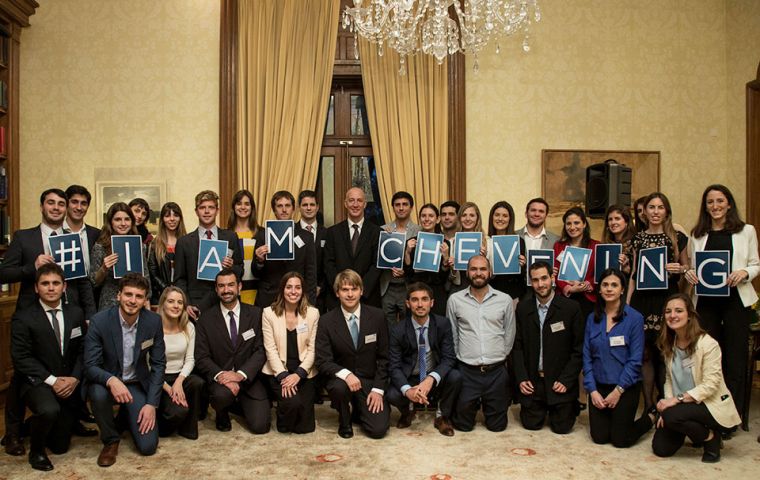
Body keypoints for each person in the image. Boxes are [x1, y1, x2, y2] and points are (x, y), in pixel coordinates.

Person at [0, 189, 96, 456]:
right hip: (31, 312)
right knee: (23, 374)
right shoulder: (24, 237)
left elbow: (82, 281)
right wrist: (32, 266)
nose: (56, 208)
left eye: (60, 204)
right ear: (42, 206)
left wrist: (88, 312)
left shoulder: (72, 239)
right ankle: (13, 433)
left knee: (66, 361)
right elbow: (3, 272)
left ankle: (65, 419)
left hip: (66, 312)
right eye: (51, 203)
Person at [684, 184, 759, 421]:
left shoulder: (746, 231)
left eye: (719, 201)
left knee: (735, 356)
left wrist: (745, 273)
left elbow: (756, 263)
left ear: (728, 204)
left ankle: (731, 415)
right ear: (705, 207)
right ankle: (710, 411)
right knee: (707, 357)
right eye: (710, 202)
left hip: (736, 301)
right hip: (706, 303)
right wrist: (690, 273)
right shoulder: (696, 234)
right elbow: (693, 268)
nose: (715, 206)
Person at [10, 264, 89, 471]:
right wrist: (53, 381)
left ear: (64, 287)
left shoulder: (76, 313)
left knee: (61, 446)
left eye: (56, 283)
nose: (51, 288)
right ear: (36, 288)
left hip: (69, 383)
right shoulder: (24, 317)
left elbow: (83, 350)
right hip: (38, 382)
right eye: (45, 284)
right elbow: (21, 358)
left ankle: (31, 427)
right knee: (48, 410)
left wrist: (74, 378)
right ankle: (36, 451)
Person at [84, 274, 166, 467]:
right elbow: (90, 366)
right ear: (118, 295)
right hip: (107, 382)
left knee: (148, 447)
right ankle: (111, 440)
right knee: (97, 393)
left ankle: (124, 417)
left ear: (145, 300)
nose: (132, 300)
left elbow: (158, 365)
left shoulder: (153, 321)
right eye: (128, 294)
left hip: (136, 383)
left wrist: (151, 404)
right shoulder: (100, 321)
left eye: (139, 296)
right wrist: (112, 380)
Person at [652, 294, 741, 463]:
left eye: (679, 311)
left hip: (708, 404)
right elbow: (669, 380)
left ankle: (710, 437)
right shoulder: (669, 343)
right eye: (668, 311)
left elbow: (710, 385)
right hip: (681, 406)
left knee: (671, 416)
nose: (673, 315)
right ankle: (692, 428)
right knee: (661, 449)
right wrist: (667, 406)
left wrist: (674, 403)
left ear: (690, 315)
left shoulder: (708, 344)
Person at [629, 192, 688, 411]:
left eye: (660, 207)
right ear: (645, 212)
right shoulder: (638, 238)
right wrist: (627, 306)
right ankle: (649, 405)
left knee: (665, 352)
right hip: (642, 301)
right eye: (651, 207)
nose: (655, 212)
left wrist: (680, 269)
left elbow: (688, 269)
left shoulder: (677, 237)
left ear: (666, 211)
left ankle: (666, 402)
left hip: (666, 300)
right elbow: (634, 273)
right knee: (644, 353)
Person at [315, 269, 390, 439]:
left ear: (361, 291)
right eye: (344, 289)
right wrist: (347, 374)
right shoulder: (326, 321)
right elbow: (322, 360)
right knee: (339, 388)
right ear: (337, 293)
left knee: (378, 430)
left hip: (369, 380)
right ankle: (345, 420)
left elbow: (385, 357)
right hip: (341, 381)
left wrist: (378, 389)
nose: (350, 294)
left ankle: (359, 408)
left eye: (354, 289)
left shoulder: (378, 316)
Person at [583, 268, 653, 448]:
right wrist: (592, 391)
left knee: (620, 440)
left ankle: (650, 419)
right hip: (599, 387)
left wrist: (618, 391)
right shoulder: (592, 318)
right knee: (599, 437)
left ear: (622, 289)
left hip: (625, 387)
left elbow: (635, 360)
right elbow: (587, 357)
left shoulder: (635, 319)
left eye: (614, 285)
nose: (609, 289)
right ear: (599, 289)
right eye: (605, 285)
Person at [194, 269, 269, 434]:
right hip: (222, 381)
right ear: (216, 289)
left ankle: (237, 404)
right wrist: (222, 376)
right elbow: (201, 357)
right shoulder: (205, 319)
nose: (226, 290)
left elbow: (261, 350)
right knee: (221, 397)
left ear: (239, 287)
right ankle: (222, 410)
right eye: (221, 286)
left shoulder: (256, 314)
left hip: (249, 379)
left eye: (230, 285)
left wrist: (240, 374)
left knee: (260, 427)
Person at [513, 261, 584, 434]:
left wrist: (566, 380)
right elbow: (517, 347)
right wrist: (522, 378)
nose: (540, 284)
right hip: (534, 381)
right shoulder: (523, 308)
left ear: (552, 278)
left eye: (544, 278)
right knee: (531, 424)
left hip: (559, 382)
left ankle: (568, 405)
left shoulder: (571, 308)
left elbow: (579, 349)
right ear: (531, 282)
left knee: (562, 428)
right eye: (535, 280)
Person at [446, 255, 515, 432]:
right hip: (467, 371)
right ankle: (471, 404)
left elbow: (509, 333)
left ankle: (488, 403)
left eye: (483, 269)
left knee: (497, 427)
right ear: (467, 272)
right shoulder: (455, 300)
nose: (478, 273)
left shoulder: (504, 299)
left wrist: (499, 356)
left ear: (490, 272)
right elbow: (452, 334)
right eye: (474, 269)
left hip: (496, 372)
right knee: (463, 426)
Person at [387, 282, 461, 436]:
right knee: (392, 393)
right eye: (414, 300)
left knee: (455, 376)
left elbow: (449, 358)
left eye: (424, 299)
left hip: (434, 377)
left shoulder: (442, 324)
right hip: (411, 377)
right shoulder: (398, 330)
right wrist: (408, 391)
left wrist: (430, 379)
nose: (420, 304)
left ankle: (442, 417)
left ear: (432, 303)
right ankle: (408, 411)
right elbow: (394, 366)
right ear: (407, 304)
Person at [261, 272, 319, 433]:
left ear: (303, 291)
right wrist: (283, 376)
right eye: (289, 287)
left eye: (298, 288)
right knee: (292, 405)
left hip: (304, 371)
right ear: (282, 290)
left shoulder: (313, 314)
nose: (293, 292)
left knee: (305, 427)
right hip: (279, 370)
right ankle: (283, 414)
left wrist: (299, 373)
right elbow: (270, 348)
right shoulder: (268, 313)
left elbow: (313, 349)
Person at [175, 190, 243, 319]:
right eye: (202, 208)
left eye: (211, 207)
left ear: (217, 211)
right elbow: (180, 279)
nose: (207, 212)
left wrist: (231, 267)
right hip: (196, 305)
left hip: (226, 300)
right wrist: (187, 303)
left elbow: (240, 270)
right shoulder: (184, 242)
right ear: (196, 211)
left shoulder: (230, 237)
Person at [253, 190, 317, 308]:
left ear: (293, 209)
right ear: (274, 210)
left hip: (296, 298)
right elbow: (255, 272)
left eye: (287, 206)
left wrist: (310, 304)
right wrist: (259, 261)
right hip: (269, 298)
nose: (284, 210)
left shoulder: (306, 237)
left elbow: (311, 274)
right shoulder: (262, 235)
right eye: (279, 206)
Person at [323, 187, 382, 309]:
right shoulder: (332, 232)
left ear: (365, 204)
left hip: (368, 298)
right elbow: (328, 263)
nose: (355, 204)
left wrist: (360, 290)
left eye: (359, 201)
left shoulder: (377, 232)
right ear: (345, 203)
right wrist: (342, 289)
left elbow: (377, 265)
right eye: (351, 200)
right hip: (338, 299)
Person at [157, 286, 203, 439]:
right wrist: (169, 389)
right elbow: (148, 365)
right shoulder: (152, 326)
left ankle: (188, 429)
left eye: (180, 302)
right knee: (178, 412)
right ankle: (162, 428)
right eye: (171, 301)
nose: (176, 306)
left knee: (197, 382)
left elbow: (190, 359)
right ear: (163, 303)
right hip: (158, 378)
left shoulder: (188, 326)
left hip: (180, 376)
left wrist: (179, 381)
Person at [89, 202, 151, 310]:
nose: (123, 223)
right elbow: (93, 282)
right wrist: (104, 268)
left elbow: (145, 276)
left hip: (134, 303)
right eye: (117, 219)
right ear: (110, 222)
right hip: (109, 304)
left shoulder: (139, 245)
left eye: (127, 219)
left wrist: (147, 300)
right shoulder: (100, 246)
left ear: (132, 222)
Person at [380, 191, 420, 326]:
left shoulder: (419, 231)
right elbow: (377, 259)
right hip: (387, 286)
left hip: (408, 286)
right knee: (386, 326)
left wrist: (407, 270)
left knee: (409, 325)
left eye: (405, 204)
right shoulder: (384, 230)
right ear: (393, 207)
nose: (401, 208)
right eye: (397, 205)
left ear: (411, 207)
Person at [403, 203, 450, 316]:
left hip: (437, 292)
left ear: (437, 219)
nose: (427, 219)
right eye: (423, 216)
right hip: (415, 293)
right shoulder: (411, 242)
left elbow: (443, 277)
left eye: (431, 216)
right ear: (419, 219)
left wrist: (446, 258)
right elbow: (408, 275)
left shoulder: (445, 243)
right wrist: (407, 253)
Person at [553, 207, 600, 318]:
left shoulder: (596, 245)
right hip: (565, 297)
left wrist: (588, 283)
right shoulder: (558, 246)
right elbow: (555, 272)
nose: (572, 227)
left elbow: (600, 272)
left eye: (576, 223)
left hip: (588, 297)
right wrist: (568, 288)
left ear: (584, 224)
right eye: (568, 223)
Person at [486, 200, 527, 301]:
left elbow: (521, 276)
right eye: (497, 215)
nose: (500, 219)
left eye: (505, 216)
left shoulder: (518, 241)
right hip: (489, 294)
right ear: (492, 217)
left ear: (510, 219)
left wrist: (523, 265)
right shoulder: (485, 241)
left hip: (512, 295)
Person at [147, 202, 186, 304]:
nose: (172, 219)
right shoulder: (154, 244)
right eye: (167, 216)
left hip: (184, 296)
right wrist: (167, 290)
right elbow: (153, 273)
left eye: (176, 215)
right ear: (162, 220)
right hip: (161, 297)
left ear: (180, 219)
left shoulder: (188, 242)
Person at [227, 189, 259, 305]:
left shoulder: (262, 233)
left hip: (258, 291)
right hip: (233, 290)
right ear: (234, 207)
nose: (243, 207)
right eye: (239, 203)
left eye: (247, 204)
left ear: (252, 207)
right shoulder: (226, 235)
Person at [298, 190, 328, 311]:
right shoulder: (291, 232)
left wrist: (321, 286)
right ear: (299, 207)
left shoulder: (327, 233)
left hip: (321, 295)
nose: (309, 208)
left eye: (312, 205)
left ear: (317, 207)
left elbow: (329, 263)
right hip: (296, 292)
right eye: (305, 205)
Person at [63, 185, 101, 276]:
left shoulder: (97, 234)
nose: (79, 208)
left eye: (83, 203)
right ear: (66, 204)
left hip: (91, 288)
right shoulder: (55, 233)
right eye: (74, 202)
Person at [602, 204, 635, 276]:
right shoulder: (604, 246)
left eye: (617, 218)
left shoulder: (635, 244)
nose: (613, 222)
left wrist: (626, 268)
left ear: (626, 222)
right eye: (610, 219)